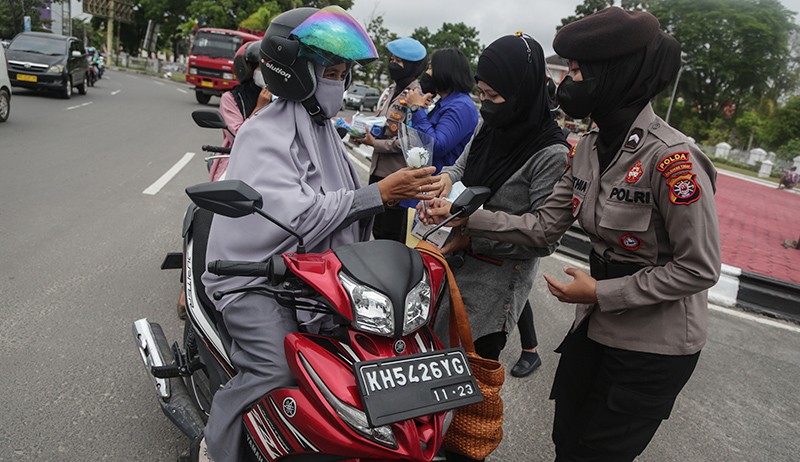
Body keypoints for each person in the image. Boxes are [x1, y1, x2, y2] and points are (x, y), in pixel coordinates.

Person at [423, 8, 721, 462]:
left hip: (653, 344)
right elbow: (544, 225)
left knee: (597, 452)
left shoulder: (672, 160)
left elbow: (699, 268)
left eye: (579, 72)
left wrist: (600, 292)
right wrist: (467, 219)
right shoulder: (589, 150)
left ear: (615, 75)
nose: (567, 83)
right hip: (596, 326)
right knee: (566, 440)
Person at [199, 7, 439, 462]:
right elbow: (298, 216)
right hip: (255, 280)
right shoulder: (262, 134)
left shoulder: (322, 129)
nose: (340, 84)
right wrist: (380, 194)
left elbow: (343, 204)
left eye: (344, 74)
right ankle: (218, 443)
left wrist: (396, 198)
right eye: (331, 73)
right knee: (275, 369)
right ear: (296, 72)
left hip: (318, 277)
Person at [428, 33, 570, 462]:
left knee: (468, 386)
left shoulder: (551, 153)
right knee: (433, 375)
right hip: (452, 263)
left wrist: (471, 221)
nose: (485, 104)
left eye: (493, 96)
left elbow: (544, 234)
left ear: (522, 91)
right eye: (481, 94)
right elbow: (463, 165)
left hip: (493, 286)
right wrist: (445, 181)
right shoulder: (491, 124)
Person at [352, 37, 429, 242]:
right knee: (374, 227)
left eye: (399, 61)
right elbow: (383, 124)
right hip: (377, 170)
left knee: (390, 233)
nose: (393, 64)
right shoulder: (391, 91)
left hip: (396, 174)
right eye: (392, 59)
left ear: (412, 66)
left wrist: (374, 143)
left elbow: (411, 141)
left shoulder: (416, 97)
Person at [402, 48, 480, 173]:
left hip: (443, 180)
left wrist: (417, 109)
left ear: (444, 72)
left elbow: (437, 147)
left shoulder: (460, 107)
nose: (426, 73)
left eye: (430, 68)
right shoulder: (445, 103)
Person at [209, 41, 273, 181]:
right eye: (260, 67)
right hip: (238, 162)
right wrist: (259, 108)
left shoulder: (284, 99)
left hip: (275, 164)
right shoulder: (231, 99)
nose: (265, 73)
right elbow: (238, 136)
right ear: (248, 69)